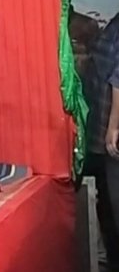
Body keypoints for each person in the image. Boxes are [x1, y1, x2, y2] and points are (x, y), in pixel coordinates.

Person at [83, 14, 119, 269]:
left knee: (113, 203)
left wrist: (113, 126)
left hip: (109, 133)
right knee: (106, 202)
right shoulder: (115, 21)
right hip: (98, 127)